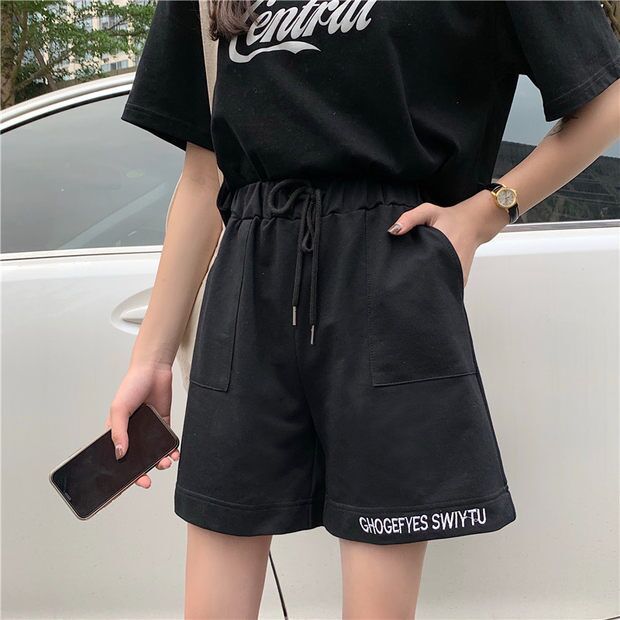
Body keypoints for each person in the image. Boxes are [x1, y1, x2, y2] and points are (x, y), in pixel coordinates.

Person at [110, 0, 620, 617]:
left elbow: (605, 97)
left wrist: (484, 214)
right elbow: (203, 174)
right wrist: (151, 358)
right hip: (248, 271)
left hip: (389, 266)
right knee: (215, 584)